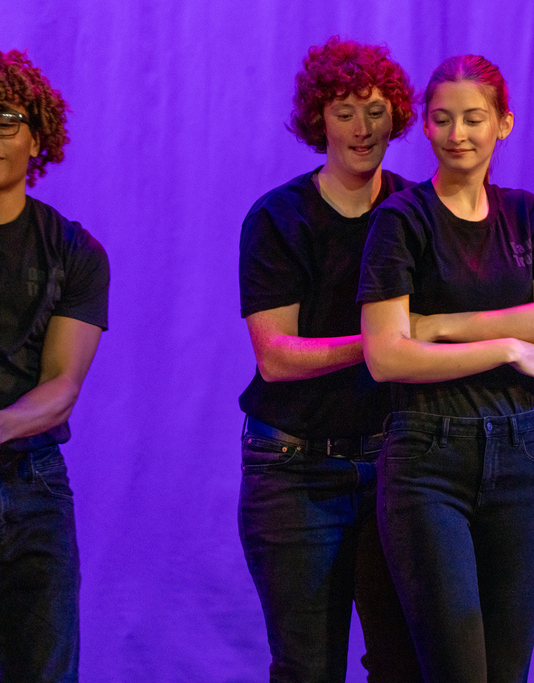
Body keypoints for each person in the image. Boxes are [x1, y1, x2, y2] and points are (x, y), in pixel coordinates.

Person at [357, 54, 534, 683]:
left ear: (502, 124)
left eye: (474, 119)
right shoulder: (402, 220)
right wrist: (510, 347)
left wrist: (446, 326)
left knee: (507, 672)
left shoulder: (526, 214)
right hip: (428, 458)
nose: (459, 134)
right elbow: (387, 355)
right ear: (424, 127)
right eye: (444, 119)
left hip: (517, 456)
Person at [237, 37, 420, 682]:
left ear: (397, 115)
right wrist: (384, 347)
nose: (362, 128)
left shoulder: (414, 211)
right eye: (344, 111)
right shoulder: (279, 217)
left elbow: (454, 324)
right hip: (295, 469)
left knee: (404, 663)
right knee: (310, 668)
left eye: (375, 110)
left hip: (398, 463)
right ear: (319, 120)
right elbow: (276, 359)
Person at [0, 49, 109, 681]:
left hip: (33, 482)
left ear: (39, 135)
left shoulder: (74, 250)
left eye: (5, 119)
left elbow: (62, 386)